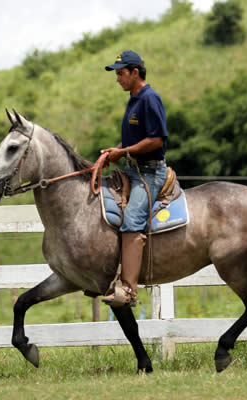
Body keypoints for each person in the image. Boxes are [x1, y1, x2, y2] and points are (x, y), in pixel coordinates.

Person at [101, 50, 168, 307]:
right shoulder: (133, 100)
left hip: (150, 173)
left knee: (131, 220)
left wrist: (123, 152)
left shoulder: (150, 99)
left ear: (135, 72)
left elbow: (156, 139)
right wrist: (115, 152)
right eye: (117, 74)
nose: (118, 79)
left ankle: (128, 290)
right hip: (133, 169)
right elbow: (133, 140)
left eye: (120, 73)